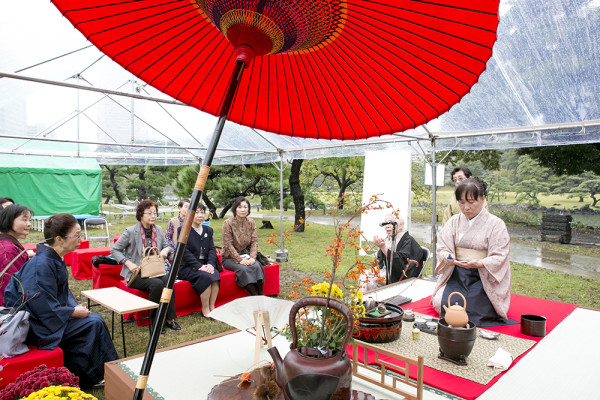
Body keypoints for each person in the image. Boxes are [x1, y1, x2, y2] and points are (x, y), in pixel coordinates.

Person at [4, 213, 118, 388]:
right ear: (59, 239)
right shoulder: (41, 264)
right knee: (93, 323)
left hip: (50, 316)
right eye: (77, 235)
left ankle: (105, 371)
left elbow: (59, 294)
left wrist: (72, 306)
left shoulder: (53, 258)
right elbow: (39, 303)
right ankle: (93, 376)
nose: (81, 239)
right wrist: (71, 312)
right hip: (38, 325)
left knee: (93, 320)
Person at [431, 177, 514, 327]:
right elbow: (443, 246)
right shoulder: (454, 221)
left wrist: (481, 263)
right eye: (461, 203)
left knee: (471, 308)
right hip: (457, 274)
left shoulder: (496, 224)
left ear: (482, 199)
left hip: (482, 276)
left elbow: (500, 255)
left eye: (471, 202)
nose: (466, 207)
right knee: (439, 303)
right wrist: (447, 257)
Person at [111, 199, 181, 333]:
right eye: (149, 213)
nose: (153, 216)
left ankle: (170, 319)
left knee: (168, 281)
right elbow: (115, 250)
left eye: (155, 213)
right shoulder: (131, 231)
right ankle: (156, 321)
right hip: (136, 272)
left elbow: (167, 246)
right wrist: (128, 263)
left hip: (154, 269)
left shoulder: (158, 230)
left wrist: (166, 250)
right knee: (157, 284)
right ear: (140, 215)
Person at [178, 204, 220, 318]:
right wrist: (199, 266)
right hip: (188, 267)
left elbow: (212, 249)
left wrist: (211, 264)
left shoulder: (208, 230)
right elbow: (184, 252)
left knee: (214, 274)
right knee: (205, 276)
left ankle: (212, 306)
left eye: (202, 212)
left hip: (205, 264)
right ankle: (205, 308)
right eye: (196, 212)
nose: (200, 215)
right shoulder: (183, 230)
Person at [222, 196, 265, 296]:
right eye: (240, 207)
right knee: (243, 269)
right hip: (229, 257)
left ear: (248, 209)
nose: (242, 210)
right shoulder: (227, 223)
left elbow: (254, 241)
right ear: (235, 208)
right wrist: (239, 260)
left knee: (257, 266)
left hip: (246, 254)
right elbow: (228, 244)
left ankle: (261, 292)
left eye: (245, 207)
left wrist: (253, 258)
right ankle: (253, 294)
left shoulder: (251, 222)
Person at [373, 213, 425, 284]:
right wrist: (374, 268)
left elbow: (400, 265)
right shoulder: (388, 239)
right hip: (386, 272)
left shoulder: (408, 241)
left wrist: (384, 248)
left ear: (400, 225)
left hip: (400, 279)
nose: (387, 226)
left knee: (369, 281)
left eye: (391, 223)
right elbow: (379, 259)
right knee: (365, 276)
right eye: (385, 223)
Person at [0, 204, 33, 306]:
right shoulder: (8, 250)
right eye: (24, 220)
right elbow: (11, 286)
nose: (29, 224)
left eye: (29, 220)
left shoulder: (8, 244)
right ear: (9, 220)